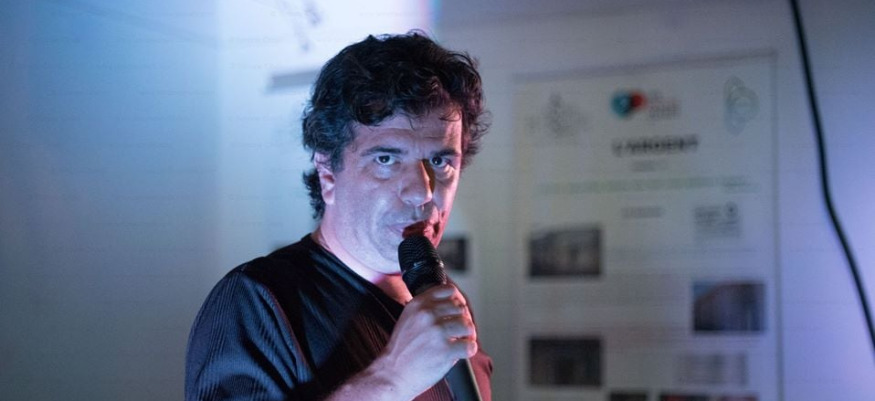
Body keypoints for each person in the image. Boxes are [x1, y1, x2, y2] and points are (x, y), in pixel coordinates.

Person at [185, 32, 492, 401]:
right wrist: (391, 379)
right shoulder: (257, 301)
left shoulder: (443, 301)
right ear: (328, 173)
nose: (422, 191)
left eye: (440, 161)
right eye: (386, 159)